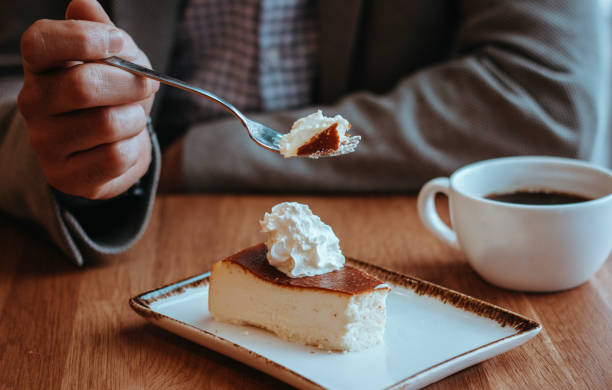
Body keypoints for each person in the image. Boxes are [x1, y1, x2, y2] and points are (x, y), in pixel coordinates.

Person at [0, 0, 609, 265]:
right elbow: (12, 74)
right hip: (116, 226)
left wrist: (193, 158)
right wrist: (67, 133)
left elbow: (546, 95)